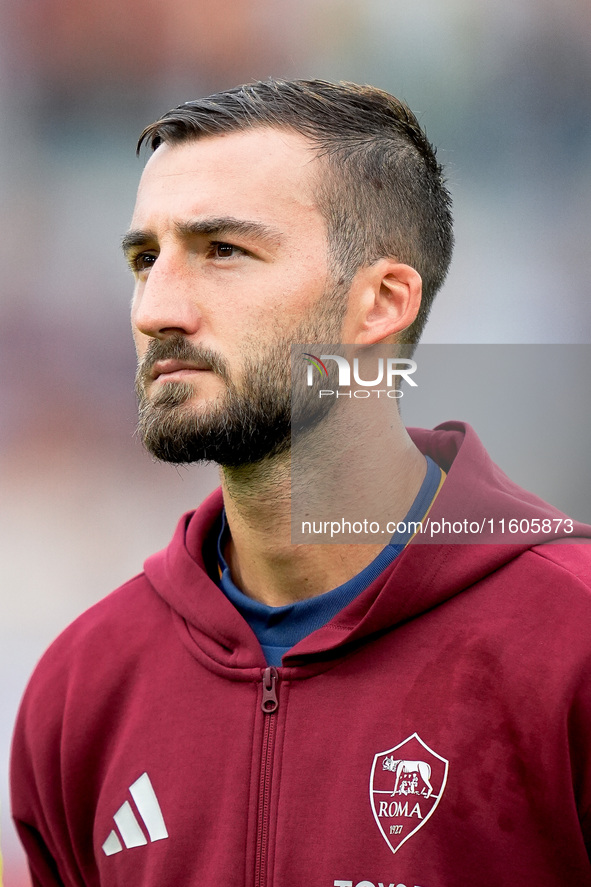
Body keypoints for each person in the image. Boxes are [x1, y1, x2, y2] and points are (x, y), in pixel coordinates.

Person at [10, 79, 591, 887]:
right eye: (147, 258)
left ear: (380, 302)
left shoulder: (571, 640)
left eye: (223, 251)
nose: (156, 308)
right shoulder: (84, 687)